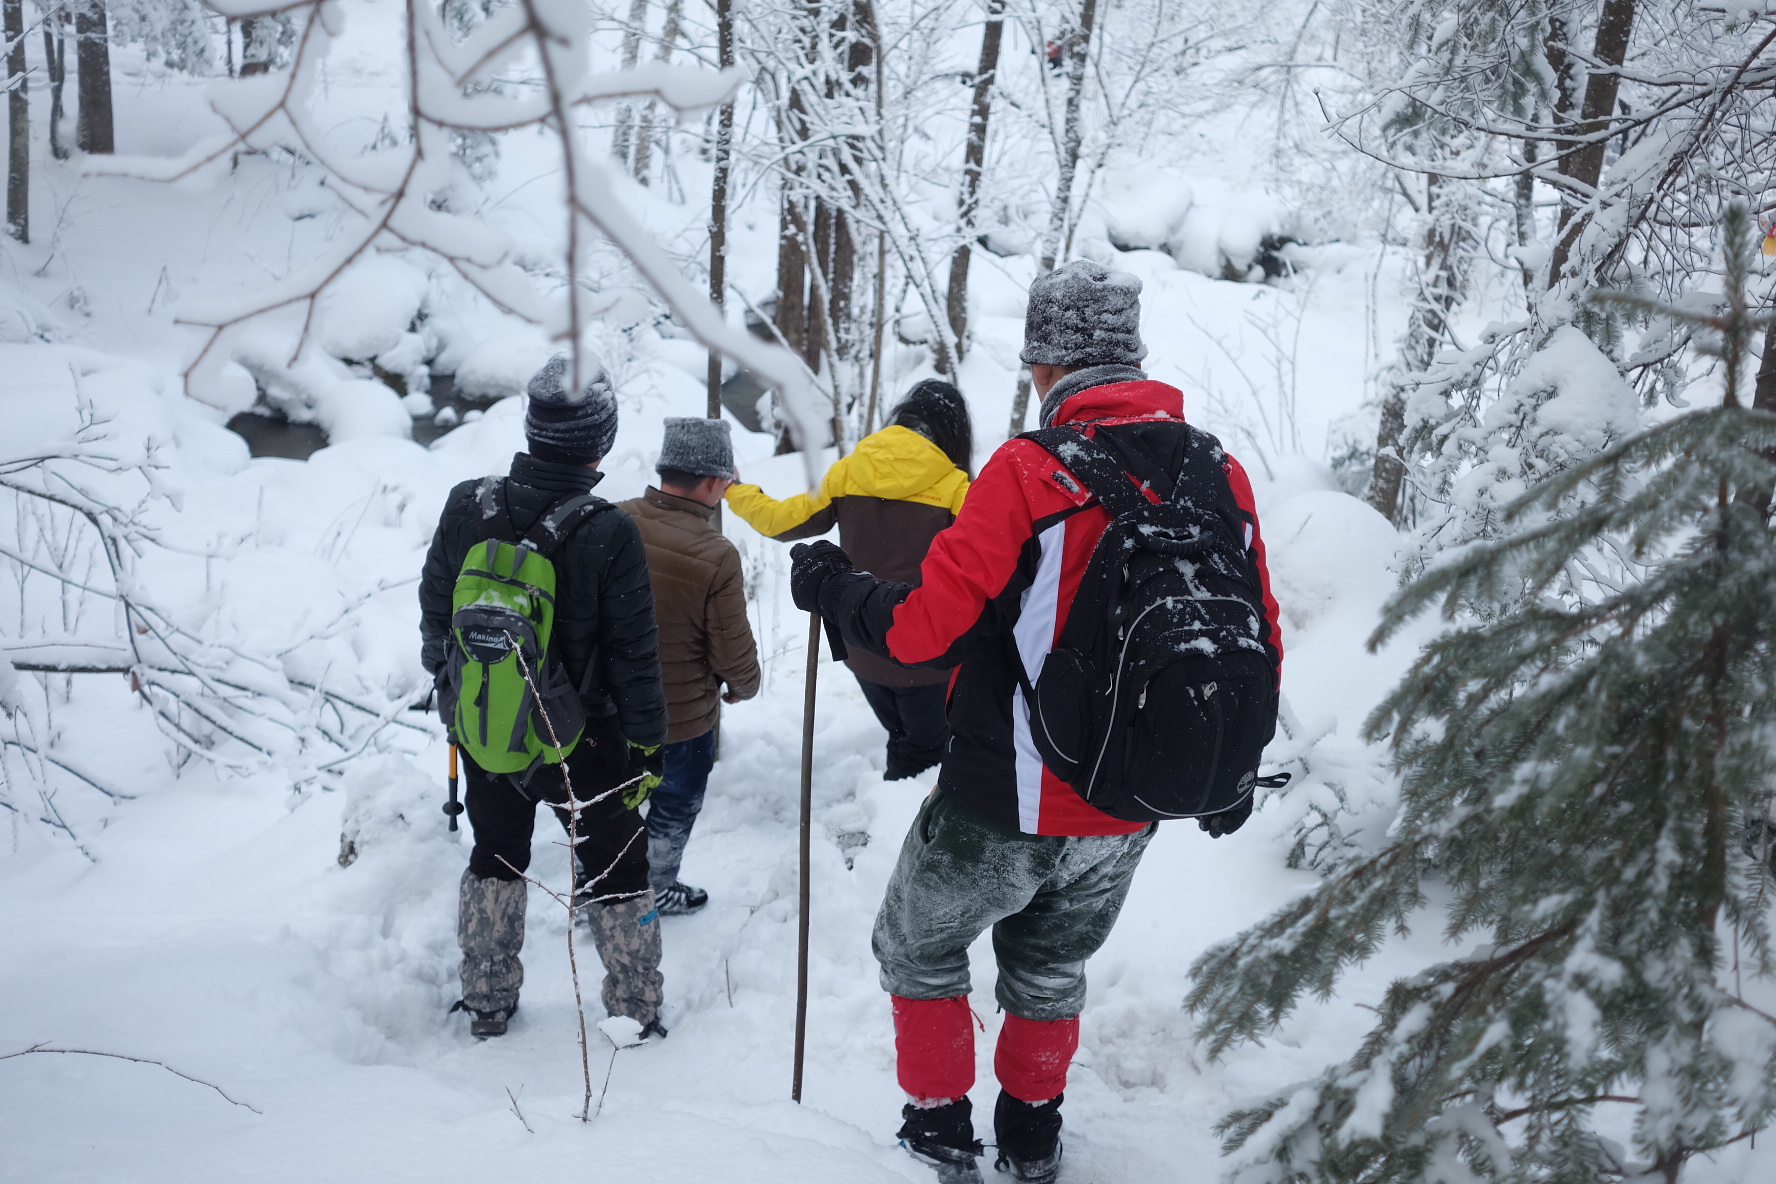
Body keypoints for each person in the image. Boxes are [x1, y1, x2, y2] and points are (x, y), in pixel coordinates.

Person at [788, 261, 1283, 1183]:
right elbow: (1261, 627)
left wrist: (838, 592)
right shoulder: (1219, 468)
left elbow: (926, 629)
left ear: (1048, 368)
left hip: (1005, 798)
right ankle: (1032, 1136)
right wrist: (1236, 761)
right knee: (1051, 970)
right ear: (1131, 358)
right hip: (1133, 797)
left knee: (919, 944)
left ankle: (937, 1134)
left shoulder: (1028, 469)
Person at [420, 355, 670, 1040]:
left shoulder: (467, 503)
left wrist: (454, 691)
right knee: (618, 867)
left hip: (487, 727)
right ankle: (634, 1010)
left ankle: (487, 1001)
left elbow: (437, 612)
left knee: (495, 854)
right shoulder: (610, 531)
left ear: (533, 430)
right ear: (602, 442)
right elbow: (634, 656)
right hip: (583, 739)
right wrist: (649, 744)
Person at [725, 380, 972, 781]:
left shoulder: (848, 473)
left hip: (860, 643)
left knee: (902, 734)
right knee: (924, 752)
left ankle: (898, 781)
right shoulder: (956, 488)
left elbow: (779, 520)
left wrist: (736, 492)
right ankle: (897, 814)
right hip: (929, 657)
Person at [618, 417, 761, 915]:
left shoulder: (614, 519)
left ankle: (605, 891)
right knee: (674, 806)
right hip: (681, 723)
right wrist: (745, 686)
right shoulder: (715, 554)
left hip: (610, 710)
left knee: (611, 806)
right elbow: (731, 646)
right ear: (714, 482)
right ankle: (654, 890)